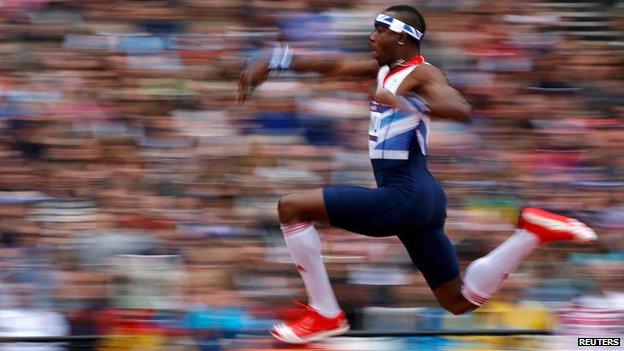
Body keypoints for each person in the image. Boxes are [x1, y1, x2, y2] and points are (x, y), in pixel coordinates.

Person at [238, 5, 597, 344]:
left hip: (405, 193)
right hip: (421, 198)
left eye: (378, 31)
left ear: (401, 37)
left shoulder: (422, 72)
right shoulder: (383, 71)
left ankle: (325, 312)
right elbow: (328, 64)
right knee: (458, 301)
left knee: (291, 208)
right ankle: (530, 232)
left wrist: (410, 103)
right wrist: (273, 61)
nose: (371, 37)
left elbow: (459, 108)